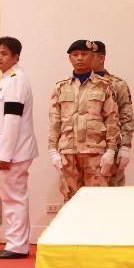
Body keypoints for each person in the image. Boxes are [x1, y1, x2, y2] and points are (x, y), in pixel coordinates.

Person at [48, 40, 120, 202]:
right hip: (68, 153)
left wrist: (111, 151)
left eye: (84, 54)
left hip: (95, 152)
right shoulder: (61, 87)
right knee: (70, 200)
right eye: (75, 55)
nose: (79, 58)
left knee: (97, 200)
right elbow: (54, 120)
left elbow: (112, 120)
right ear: (70, 58)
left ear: (92, 56)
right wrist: (52, 150)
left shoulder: (104, 86)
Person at [0, 37, 39, 259]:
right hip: (10, 150)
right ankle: (14, 242)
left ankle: (17, 245)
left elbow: (12, 119)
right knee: (10, 198)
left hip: (13, 151)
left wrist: (5, 154)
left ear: (16, 57)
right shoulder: (6, 79)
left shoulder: (16, 80)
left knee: (14, 198)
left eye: (4, 53)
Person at [92, 43, 134, 186]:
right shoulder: (77, 84)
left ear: (101, 58)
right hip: (84, 151)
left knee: (112, 192)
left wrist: (125, 147)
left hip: (109, 150)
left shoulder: (117, 84)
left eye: (91, 56)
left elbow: (126, 117)